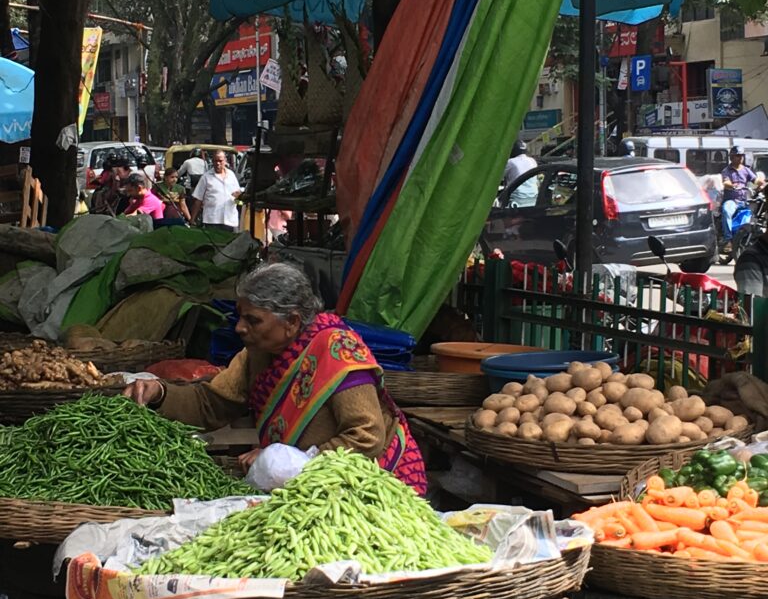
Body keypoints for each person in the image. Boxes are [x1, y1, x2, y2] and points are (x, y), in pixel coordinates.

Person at [123, 262, 428, 494]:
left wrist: (292, 461)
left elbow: (367, 437)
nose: (240, 328)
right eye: (240, 316)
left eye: (253, 320)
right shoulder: (257, 354)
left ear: (292, 321)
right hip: (303, 485)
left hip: (367, 482)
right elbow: (212, 404)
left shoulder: (337, 350)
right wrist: (160, 393)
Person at [721, 146, 763, 251]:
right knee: (726, 211)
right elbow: (725, 182)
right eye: (737, 156)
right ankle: (728, 239)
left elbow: (755, 180)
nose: (740, 158)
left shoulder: (746, 170)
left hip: (744, 201)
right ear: (731, 157)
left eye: (741, 156)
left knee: (753, 218)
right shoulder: (726, 170)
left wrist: (762, 184)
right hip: (732, 201)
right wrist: (732, 185)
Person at [189, 150, 242, 231]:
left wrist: (239, 199)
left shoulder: (231, 175)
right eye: (215, 161)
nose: (217, 163)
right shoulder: (206, 177)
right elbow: (198, 200)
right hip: (212, 220)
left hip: (230, 219)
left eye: (220, 161)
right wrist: (192, 219)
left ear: (225, 161)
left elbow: (238, 198)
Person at [500, 139, 538, 208]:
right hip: (533, 198)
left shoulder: (511, 162)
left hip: (516, 200)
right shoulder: (532, 161)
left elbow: (498, 177)